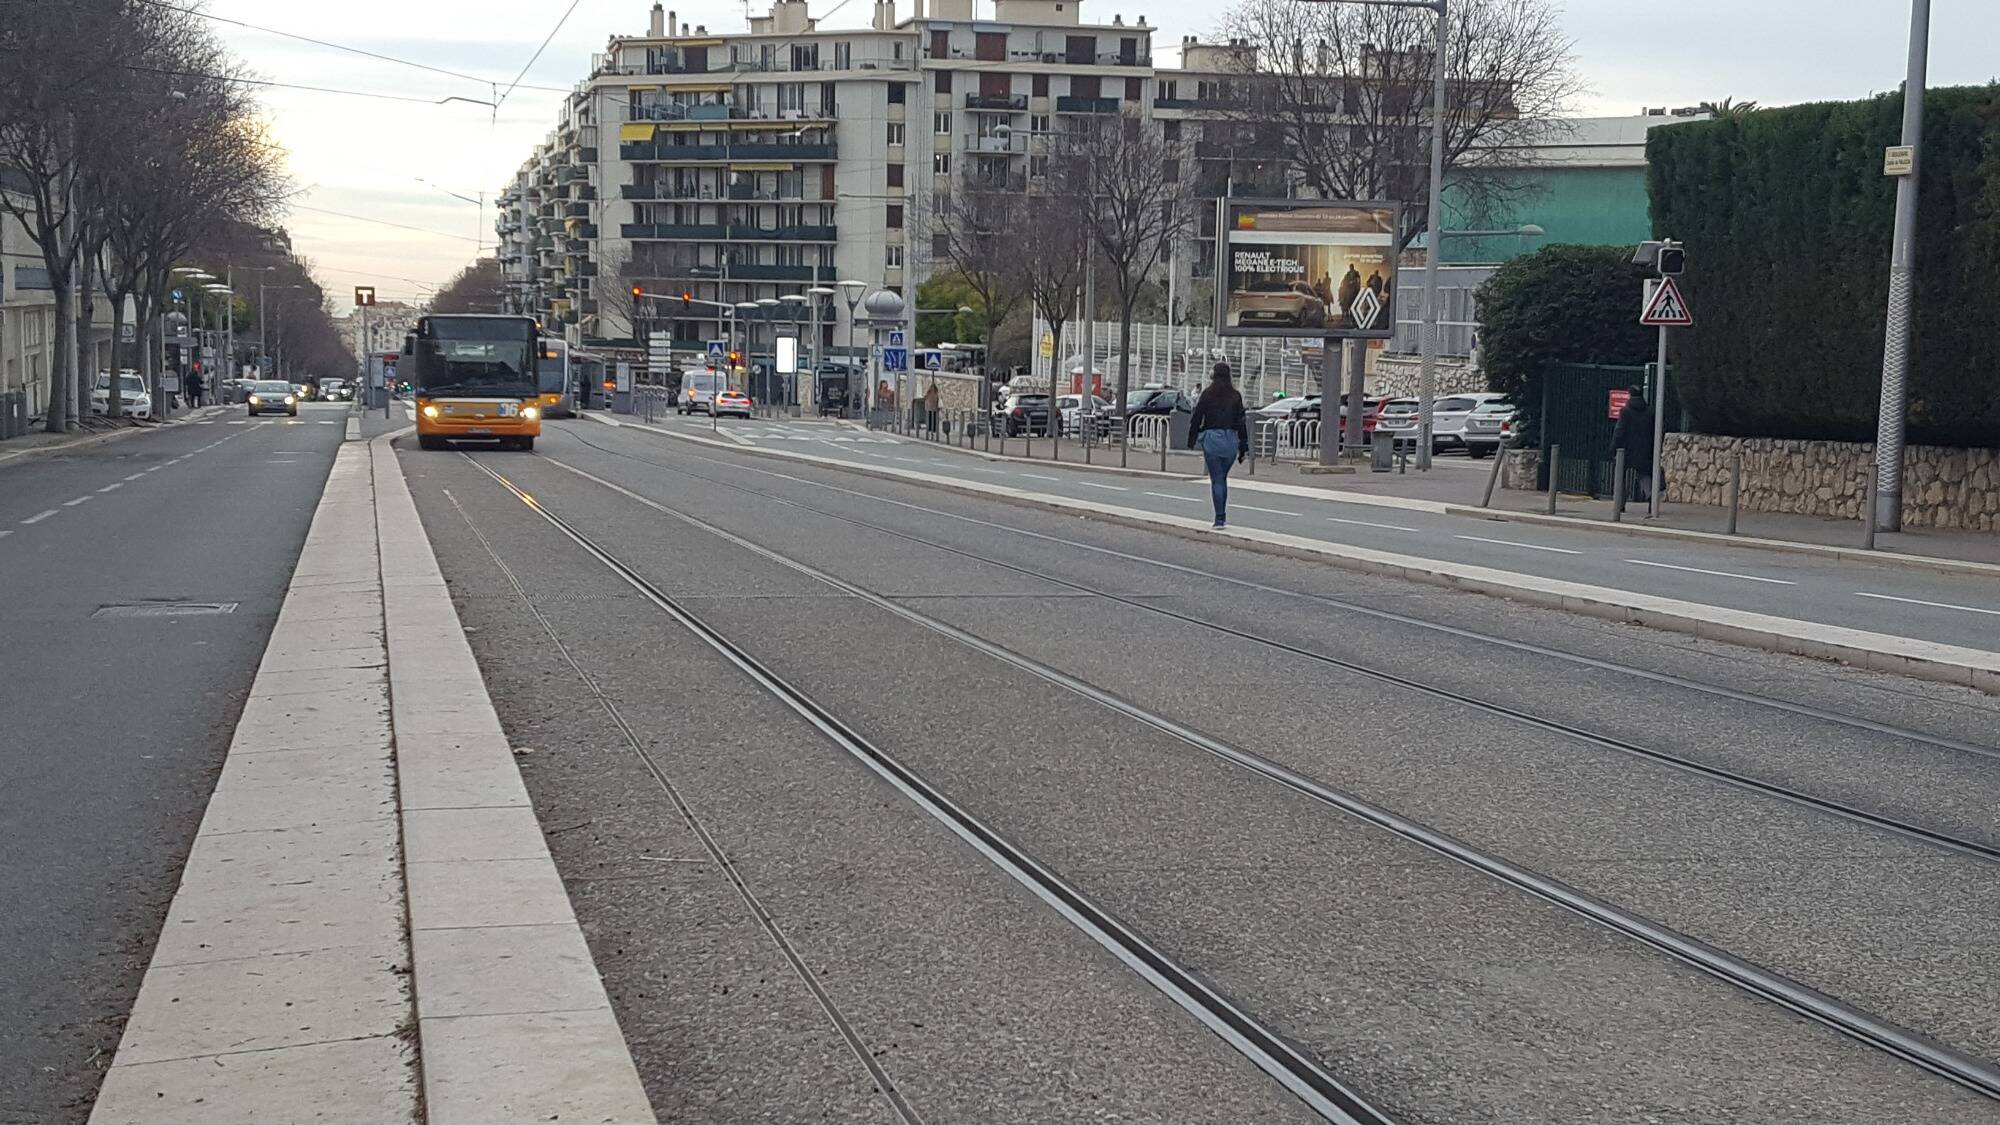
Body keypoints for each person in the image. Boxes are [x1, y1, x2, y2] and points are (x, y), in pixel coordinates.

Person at [1187, 361, 1249, 529]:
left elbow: (1197, 417)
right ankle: (1222, 515)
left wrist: (1192, 438)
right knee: (1223, 478)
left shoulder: (1207, 394)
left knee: (1216, 479)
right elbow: (1241, 422)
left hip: (1212, 438)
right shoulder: (1236, 396)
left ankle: (1219, 518)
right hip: (1230, 439)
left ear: (1213, 375)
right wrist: (1243, 448)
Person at [1611, 384, 1655, 502]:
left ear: (1630, 395)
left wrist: (1614, 447)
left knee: (1621, 473)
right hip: (1645, 450)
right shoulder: (1650, 411)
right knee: (1644, 473)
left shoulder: (1625, 411)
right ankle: (1649, 493)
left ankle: (1620, 501)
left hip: (1626, 450)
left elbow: (1619, 431)